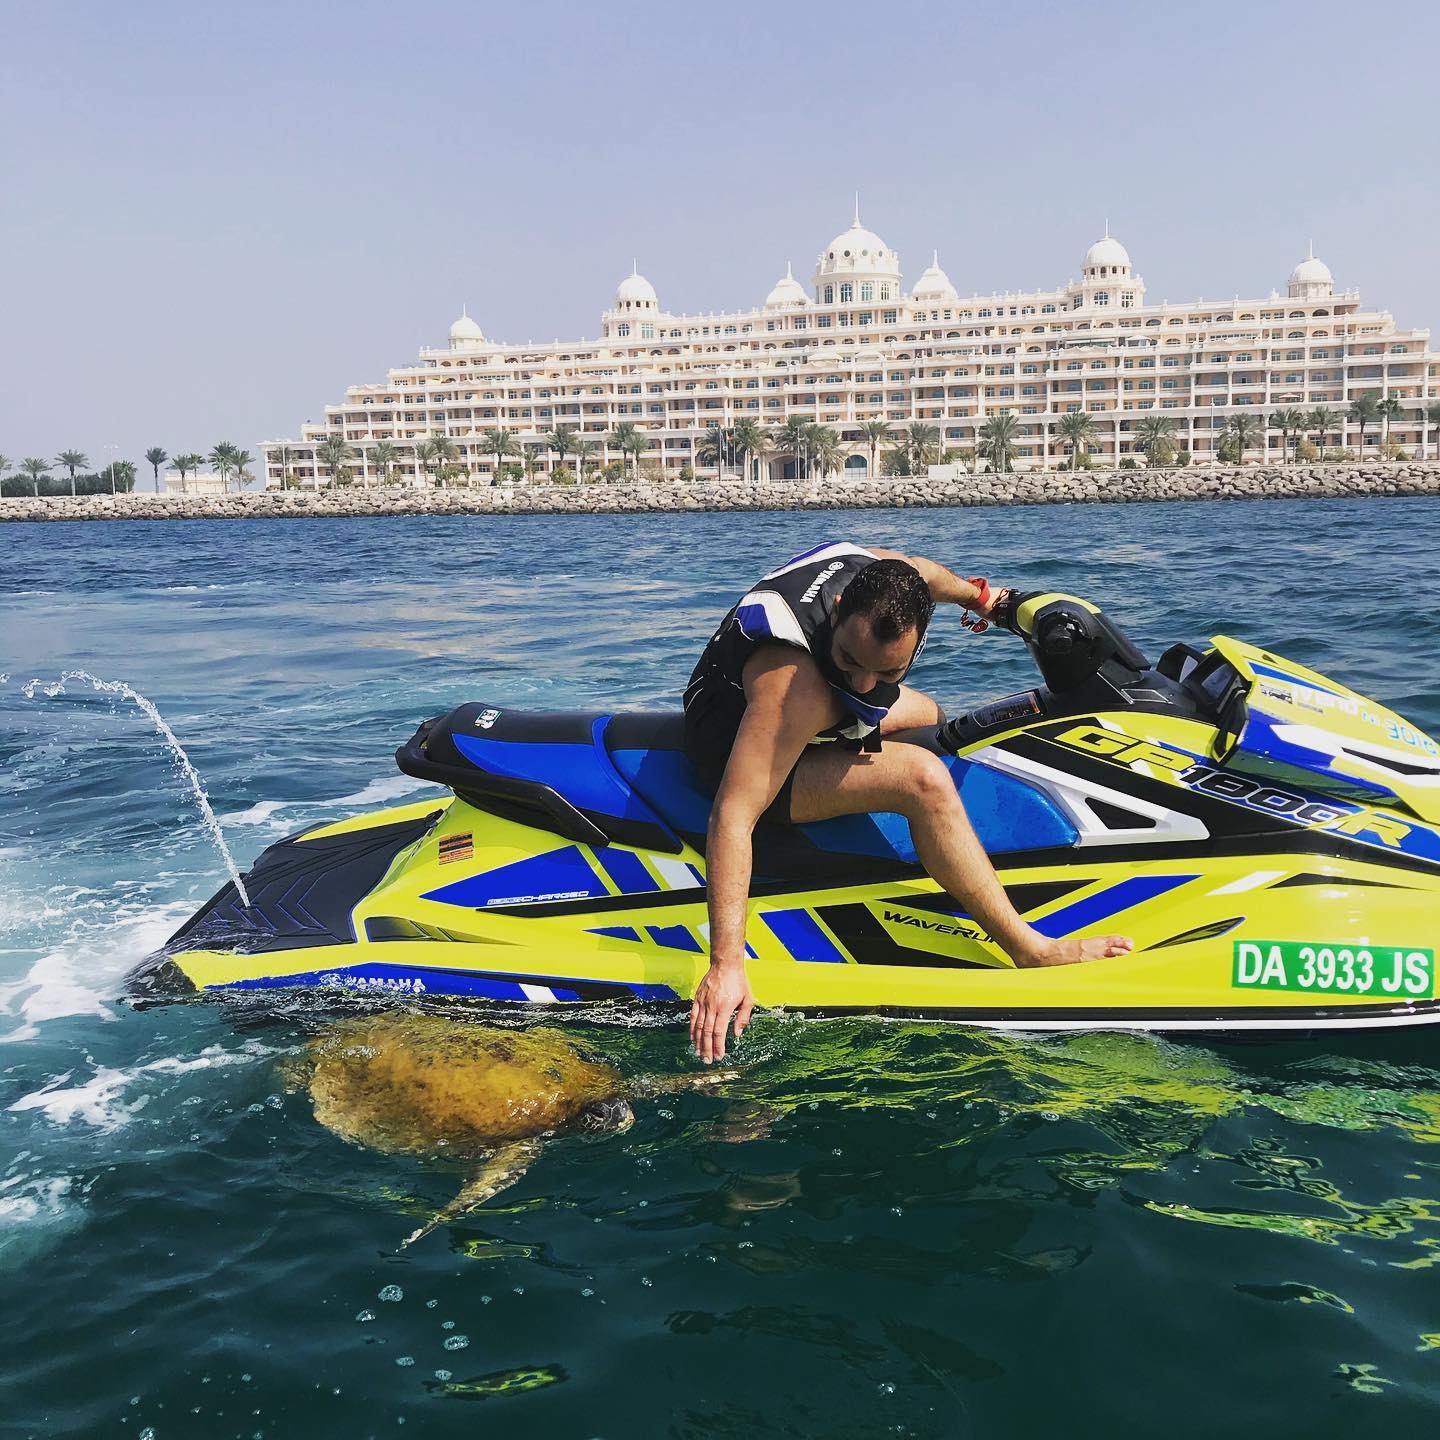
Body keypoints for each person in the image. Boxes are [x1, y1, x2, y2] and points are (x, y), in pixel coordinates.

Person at [683, 542, 1132, 1062]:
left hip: (797, 709)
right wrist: (726, 966)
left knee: (930, 717)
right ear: (839, 605)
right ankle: (1031, 949)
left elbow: (931, 578)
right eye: (849, 660)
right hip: (731, 744)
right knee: (924, 778)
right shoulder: (795, 685)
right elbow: (734, 815)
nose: (863, 684)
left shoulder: (890, 581)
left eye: (887, 673)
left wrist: (987, 600)